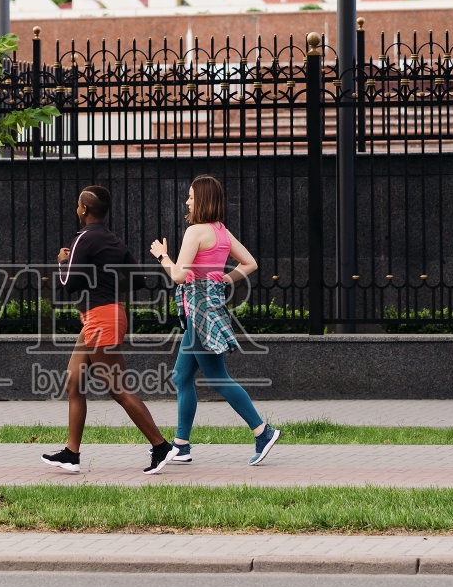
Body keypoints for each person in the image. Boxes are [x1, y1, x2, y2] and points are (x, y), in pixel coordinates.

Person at [41, 185, 176, 475]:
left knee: (118, 390)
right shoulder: (113, 240)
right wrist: (105, 287)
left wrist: (63, 263)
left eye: (78, 205)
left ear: (84, 210)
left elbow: (68, 284)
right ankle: (71, 453)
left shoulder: (84, 239)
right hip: (106, 315)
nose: (77, 209)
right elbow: (137, 280)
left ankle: (161, 445)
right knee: (74, 382)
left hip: (101, 319)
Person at [149, 174, 281, 466]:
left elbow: (179, 275)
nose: (187, 201)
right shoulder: (221, 232)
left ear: (203, 200)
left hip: (200, 312)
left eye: (192, 196)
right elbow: (250, 263)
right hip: (209, 307)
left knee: (218, 378)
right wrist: (223, 278)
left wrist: (162, 256)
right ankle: (181, 445)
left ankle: (262, 431)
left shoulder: (196, 232)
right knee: (182, 376)